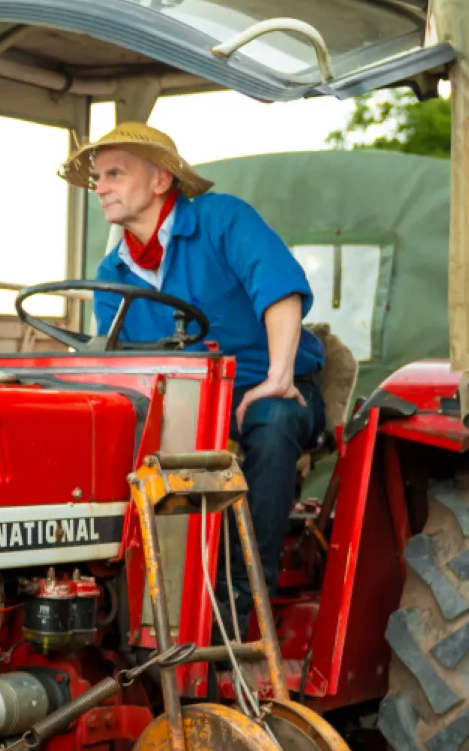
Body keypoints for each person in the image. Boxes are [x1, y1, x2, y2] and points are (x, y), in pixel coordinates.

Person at [61, 122, 325, 601]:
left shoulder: (222, 220)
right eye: (98, 177)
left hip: (262, 386)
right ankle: (120, 589)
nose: (99, 187)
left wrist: (279, 377)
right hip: (181, 405)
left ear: (160, 179)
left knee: (273, 417)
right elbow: (122, 367)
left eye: (115, 173)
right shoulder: (111, 273)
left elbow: (280, 288)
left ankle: (245, 595)